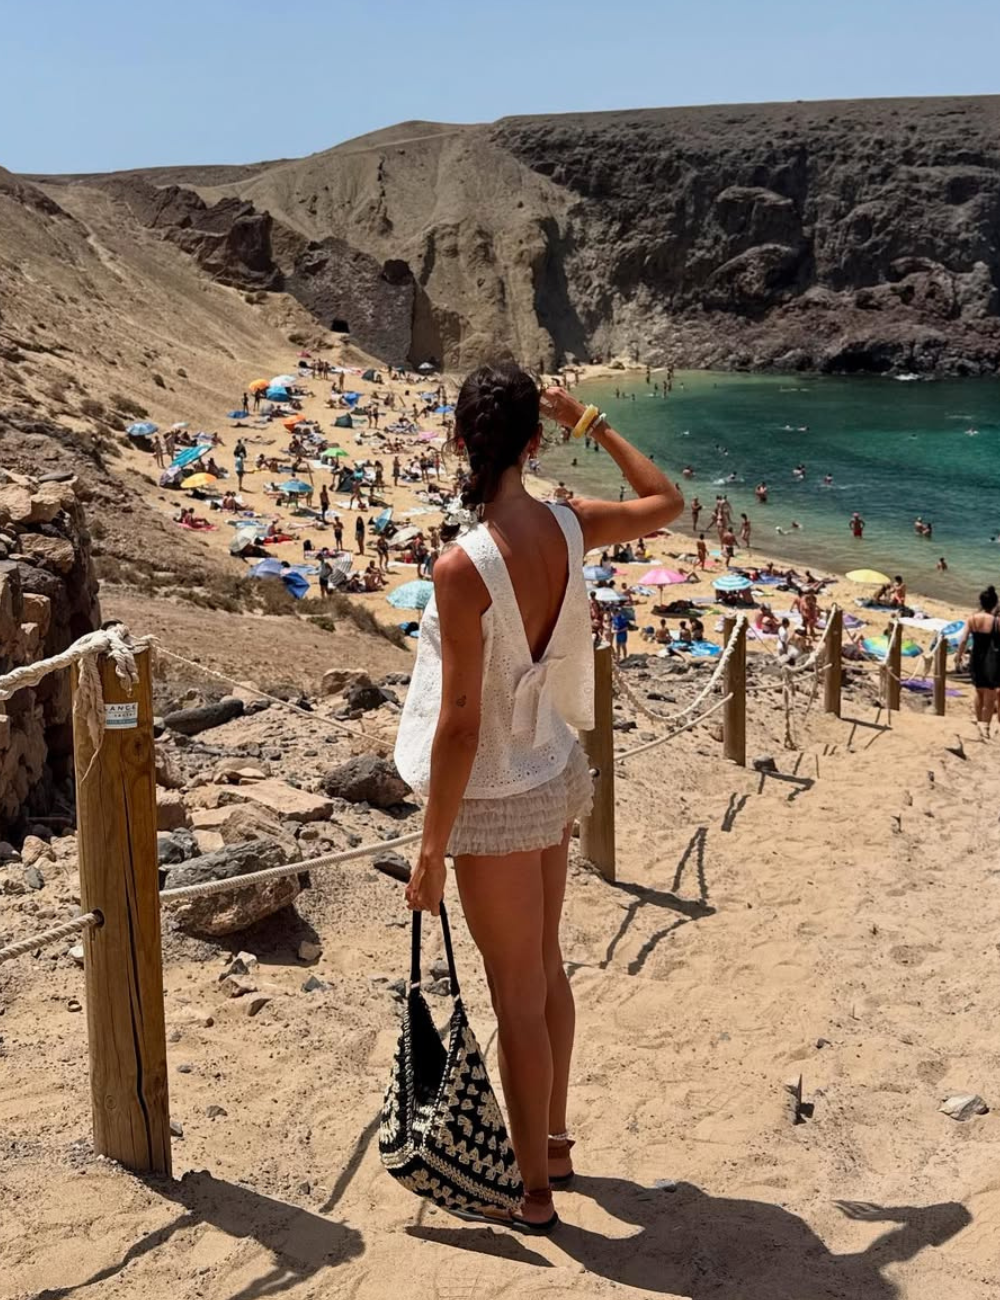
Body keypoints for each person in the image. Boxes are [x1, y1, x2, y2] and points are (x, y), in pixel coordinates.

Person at [397, 363, 682, 1233]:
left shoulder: (461, 565)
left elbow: (456, 724)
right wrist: (589, 419)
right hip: (553, 768)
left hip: (490, 798)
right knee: (547, 969)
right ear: (532, 441)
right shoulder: (568, 525)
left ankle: (532, 1193)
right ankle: (551, 1142)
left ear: (458, 443)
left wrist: (431, 846)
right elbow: (666, 501)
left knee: (513, 996)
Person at [955, 585, 1000, 738]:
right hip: (992, 661)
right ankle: (985, 728)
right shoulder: (997, 622)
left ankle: (979, 723)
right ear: (995, 604)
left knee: (978, 692)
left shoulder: (972, 619)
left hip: (976, 659)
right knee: (990, 696)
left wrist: (958, 656)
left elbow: (963, 640)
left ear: (981, 602)